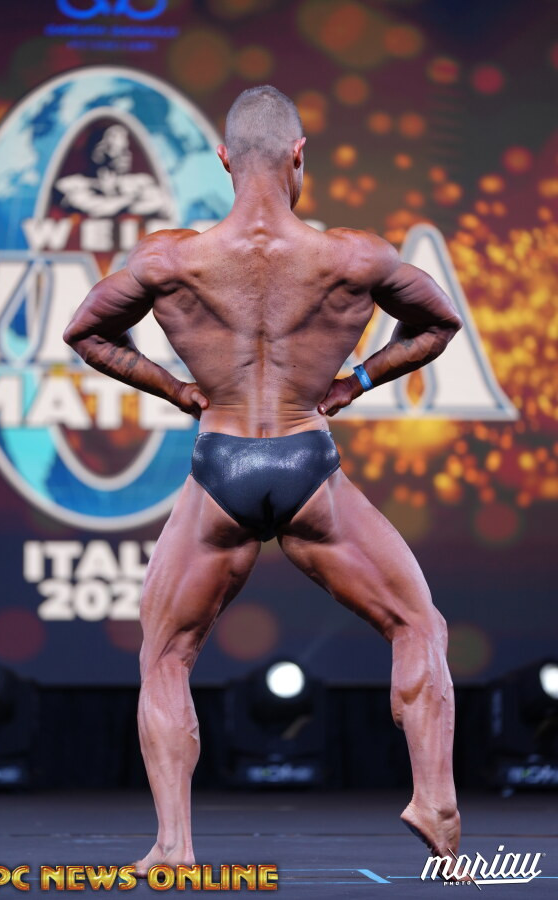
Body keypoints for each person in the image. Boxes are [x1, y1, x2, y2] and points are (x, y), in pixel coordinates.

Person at [63, 85, 464, 876]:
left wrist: (178, 390)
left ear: (223, 159)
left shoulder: (170, 260)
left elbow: (86, 333)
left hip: (221, 464)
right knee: (418, 625)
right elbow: (439, 322)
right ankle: (435, 799)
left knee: (167, 656)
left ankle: (174, 846)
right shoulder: (352, 257)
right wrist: (355, 381)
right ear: (298, 156)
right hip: (306, 460)